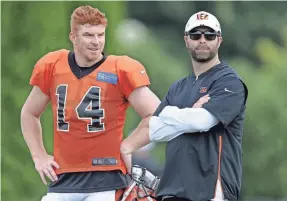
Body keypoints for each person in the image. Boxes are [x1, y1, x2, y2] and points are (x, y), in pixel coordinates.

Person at [20, 5, 161, 201]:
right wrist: (39, 156)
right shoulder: (52, 66)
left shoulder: (120, 69)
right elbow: (29, 113)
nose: (96, 42)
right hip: (63, 178)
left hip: (106, 177)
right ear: (73, 37)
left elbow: (157, 113)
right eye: (88, 35)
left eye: (100, 35)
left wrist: (129, 146)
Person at [121, 11, 248, 201]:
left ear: (219, 40)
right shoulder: (178, 87)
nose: (202, 40)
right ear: (186, 40)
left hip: (211, 192)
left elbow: (202, 121)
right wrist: (126, 147)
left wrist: (169, 114)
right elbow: (155, 128)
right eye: (196, 35)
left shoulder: (229, 82)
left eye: (210, 35)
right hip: (172, 191)